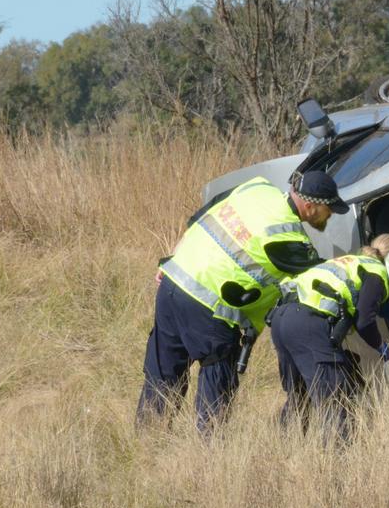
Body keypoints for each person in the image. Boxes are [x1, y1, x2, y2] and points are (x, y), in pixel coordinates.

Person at [138, 171, 349, 432]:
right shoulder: (287, 238)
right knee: (218, 375)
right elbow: (320, 276)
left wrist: (173, 256)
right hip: (209, 307)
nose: (329, 217)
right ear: (310, 206)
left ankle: (148, 437)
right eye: (329, 210)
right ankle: (210, 451)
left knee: (163, 370)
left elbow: (201, 215)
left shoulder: (257, 188)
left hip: (173, 283)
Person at [269, 233, 389, 440]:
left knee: (299, 394)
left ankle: (284, 449)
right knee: (334, 398)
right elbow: (365, 320)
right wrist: (380, 345)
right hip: (307, 323)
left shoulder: (346, 261)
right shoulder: (377, 271)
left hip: (281, 318)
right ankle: (338, 462)